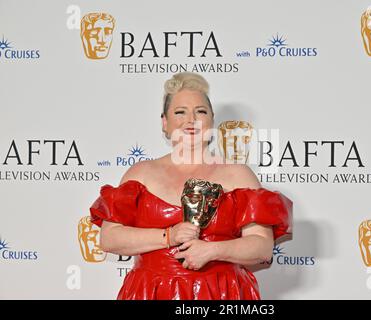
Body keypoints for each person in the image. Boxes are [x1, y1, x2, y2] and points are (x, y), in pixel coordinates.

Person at [89, 72, 293, 300]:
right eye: (180, 112)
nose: (191, 120)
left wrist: (214, 250)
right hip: (150, 292)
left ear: (212, 120)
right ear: (165, 122)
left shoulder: (238, 175)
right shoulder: (141, 173)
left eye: (200, 111)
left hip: (222, 293)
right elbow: (110, 238)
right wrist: (168, 236)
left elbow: (262, 247)